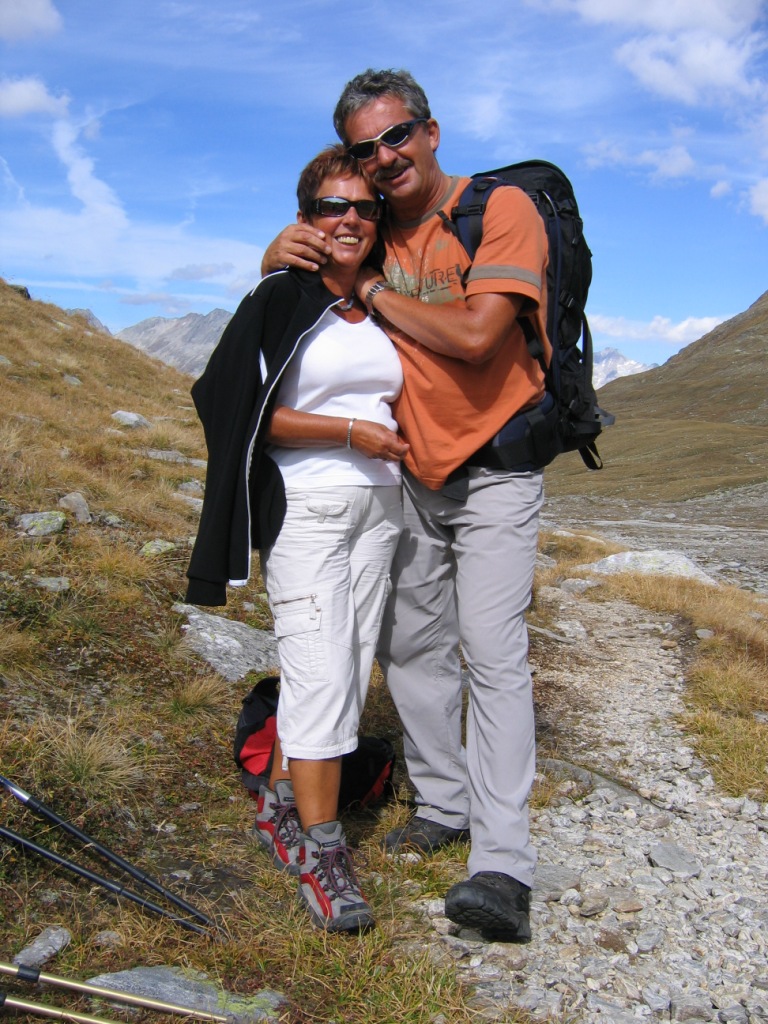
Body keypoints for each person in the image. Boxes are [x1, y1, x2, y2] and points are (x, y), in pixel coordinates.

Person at [261, 69, 552, 944]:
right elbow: (294, 296)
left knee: (492, 652)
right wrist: (275, 256)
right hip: (414, 477)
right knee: (413, 649)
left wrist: (375, 293)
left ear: (431, 131)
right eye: (366, 148)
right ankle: (443, 802)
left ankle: (502, 863)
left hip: (497, 466)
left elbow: (478, 336)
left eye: (397, 136)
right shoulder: (373, 228)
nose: (384, 158)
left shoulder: (497, 210)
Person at [186, 144, 409, 934]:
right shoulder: (281, 295)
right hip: (307, 506)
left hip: (382, 508)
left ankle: (281, 801)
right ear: (304, 215)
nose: (349, 219)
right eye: (331, 206)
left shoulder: (382, 303)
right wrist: (350, 432)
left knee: (344, 665)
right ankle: (324, 852)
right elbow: (232, 405)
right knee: (318, 673)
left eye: (364, 207)